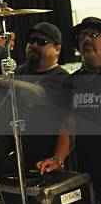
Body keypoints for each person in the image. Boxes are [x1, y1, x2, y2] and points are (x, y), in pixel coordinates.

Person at [15, 22, 70, 174]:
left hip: (46, 161)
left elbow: (37, 93)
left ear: (57, 49)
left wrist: (3, 82)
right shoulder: (20, 71)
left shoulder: (62, 79)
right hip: (18, 157)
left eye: (41, 42)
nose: (33, 45)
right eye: (31, 41)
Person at [69, 17, 101, 204]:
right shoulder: (72, 82)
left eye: (94, 34)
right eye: (82, 36)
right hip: (86, 168)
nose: (87, 39)